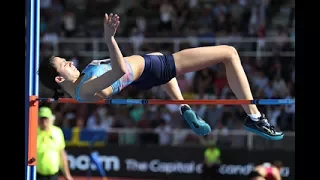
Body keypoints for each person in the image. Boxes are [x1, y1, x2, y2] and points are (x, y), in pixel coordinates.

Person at [38, 13, 283, 139]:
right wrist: (109, 39)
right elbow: (119, 70)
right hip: (154, 69)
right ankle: (255, 117)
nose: (70, 62)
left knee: (157, 59)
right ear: (59, 79)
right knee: (229, 53)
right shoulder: (85, 89)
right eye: (64, 64)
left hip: (144, 76)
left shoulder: (82, 87)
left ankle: (184, 106)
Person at [37, 106, 73, 180]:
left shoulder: (57, 132)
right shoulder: (33, 132)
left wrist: (67, 175)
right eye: (41, 119)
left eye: (46, 119)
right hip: (37, 174)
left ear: (51, 119)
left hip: (53, 174)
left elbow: (62, 154)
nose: (44, 122)